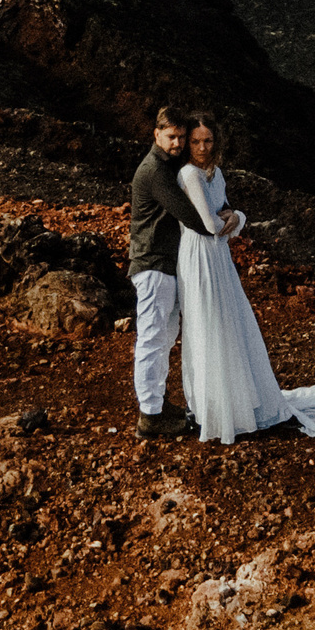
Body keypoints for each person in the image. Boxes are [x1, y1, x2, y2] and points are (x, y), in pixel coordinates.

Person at [173, 112, 315, 444]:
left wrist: (237, 216)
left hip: (217, 257)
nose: (202, 147)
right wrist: (233, 218)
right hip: (199, 256)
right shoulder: (189, 174)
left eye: (208, 140)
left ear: (216, 141)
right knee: (207, 326)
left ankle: (236, 406)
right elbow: (212, 225)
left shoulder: (216, 174)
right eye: (196, 141)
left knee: (229, 325)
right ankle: (214, 410)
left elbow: (228, 217)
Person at [128, 106, 209, 439]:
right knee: (153, 339)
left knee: (163, 337)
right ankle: (149, 417)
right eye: (171, 136)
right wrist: (219, 223)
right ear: (156, 134)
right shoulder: (155, 171)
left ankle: (157, 405)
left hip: (164, 265)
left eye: (181, 137)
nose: (177, 143)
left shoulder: (167, 166)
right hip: (153, 265)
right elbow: (189, 215)